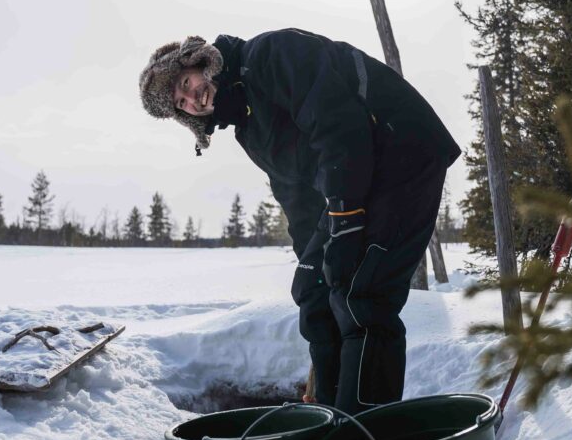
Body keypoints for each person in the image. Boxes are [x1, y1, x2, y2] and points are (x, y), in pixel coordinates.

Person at [139, 28, 460, 415]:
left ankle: (366, 439)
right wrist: (314, 259)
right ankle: (329, 413)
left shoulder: (270, 54)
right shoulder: (248, 130)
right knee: (313, 289)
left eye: (186, 82)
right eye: (180, 102)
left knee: (362, 294)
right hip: (360, 178)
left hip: (400, 152)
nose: (192, 97)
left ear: (201, 63)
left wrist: (345, 215)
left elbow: (338, 123)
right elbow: (298, 201)